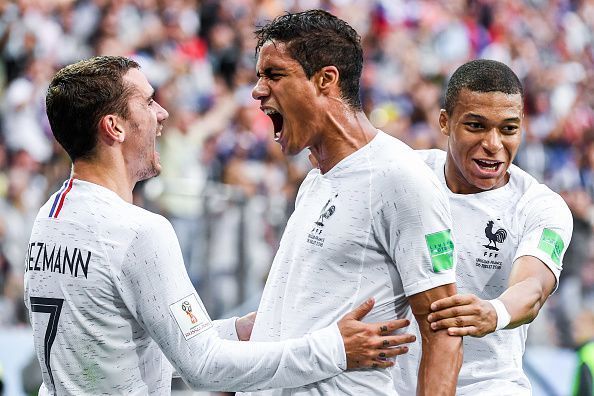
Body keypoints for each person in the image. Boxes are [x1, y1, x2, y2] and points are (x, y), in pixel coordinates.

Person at [23, 55, 415, 395]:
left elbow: (116, 347)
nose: (162, 113)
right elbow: (203, 366)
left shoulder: (52, 218)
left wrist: (241, 331)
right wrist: (334, 348)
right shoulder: (137, 231)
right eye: (147, 101)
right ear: (115, 127)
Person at [242, 10, 462, 396]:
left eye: (274, 75)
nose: (258, 91)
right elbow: (295, 320)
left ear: (326, 79)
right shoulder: (315, 182)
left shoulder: (400, 178)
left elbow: (444, 330)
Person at [396, 59, 574, 395]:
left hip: (489, 386)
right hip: (395, 385)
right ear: (445, 122)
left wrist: (495, 312)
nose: (493, 144)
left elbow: (533, 287)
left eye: (508, 129)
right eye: (476, 126)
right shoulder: (405, 176)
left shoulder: (540, 206)